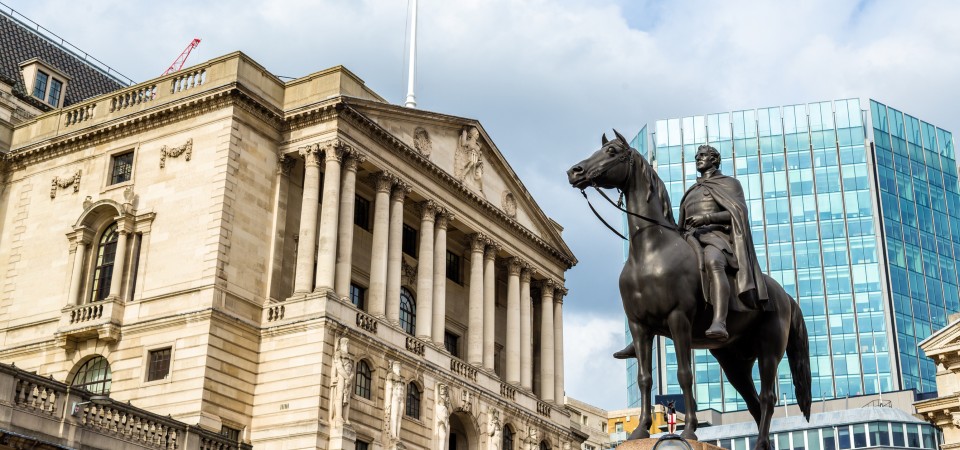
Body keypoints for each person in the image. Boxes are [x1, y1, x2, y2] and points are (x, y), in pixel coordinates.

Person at [677, 144, 768, 340]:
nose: (698, 158)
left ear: (715, 160)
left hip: (717, 237)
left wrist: (707, 218)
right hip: (689, 238)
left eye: (703, 155)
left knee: (713, 261)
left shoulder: (729, 184)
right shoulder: (691, 191)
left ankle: (719, 320)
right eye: (697, 156)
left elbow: (738, 213)